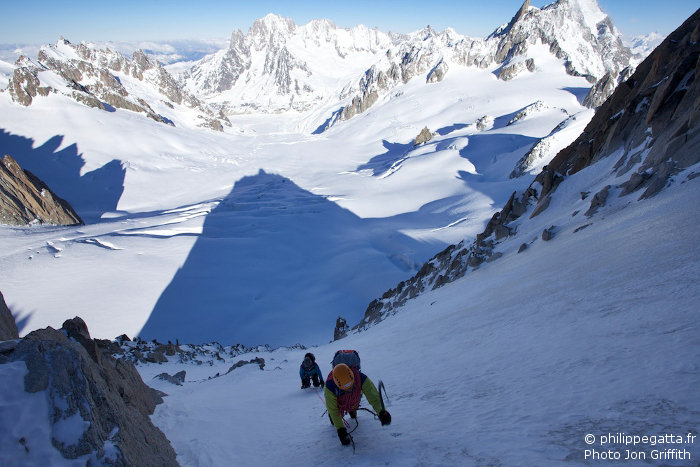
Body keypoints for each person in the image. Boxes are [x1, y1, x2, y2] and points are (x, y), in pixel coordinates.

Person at [324, 362, 391, 446]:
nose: (349, 389)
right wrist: (340, 430)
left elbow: (374, 398)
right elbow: (333, 410)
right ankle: (341, 415)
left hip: (354, 400)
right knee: (335, 415)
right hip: (340, 403)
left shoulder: (361, 378)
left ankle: (352, 409)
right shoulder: (329, 387)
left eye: (351, 386)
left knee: (353, 407)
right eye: (346, 389)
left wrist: (381, 412)